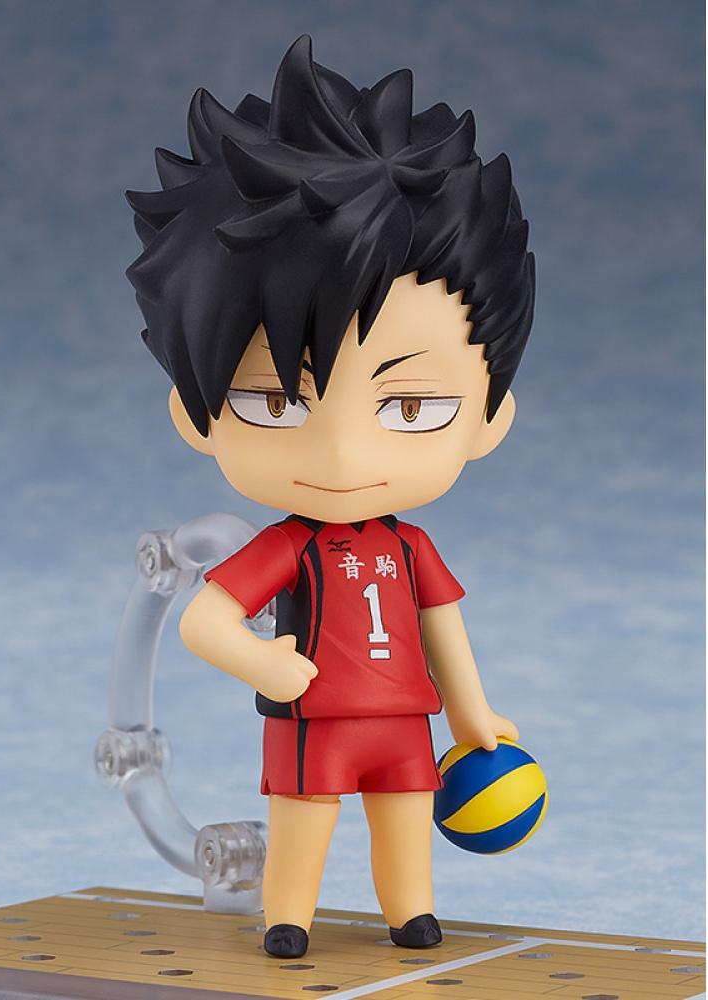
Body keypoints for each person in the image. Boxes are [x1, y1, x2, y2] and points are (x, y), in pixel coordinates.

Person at [125, 34, 536, 959]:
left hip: (404, 720)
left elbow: (444, 631)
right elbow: (204, 621)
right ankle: (289, 916)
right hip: (312, 720)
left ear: (489, 418)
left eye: (412, 405)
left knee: (406, 817)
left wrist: (470, 715)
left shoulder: (410, 549)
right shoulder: (288, 548)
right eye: (276, 402)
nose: (345, 453)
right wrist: (264, 666)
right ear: (195, 415)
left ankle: (410, 912)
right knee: (304, 819)